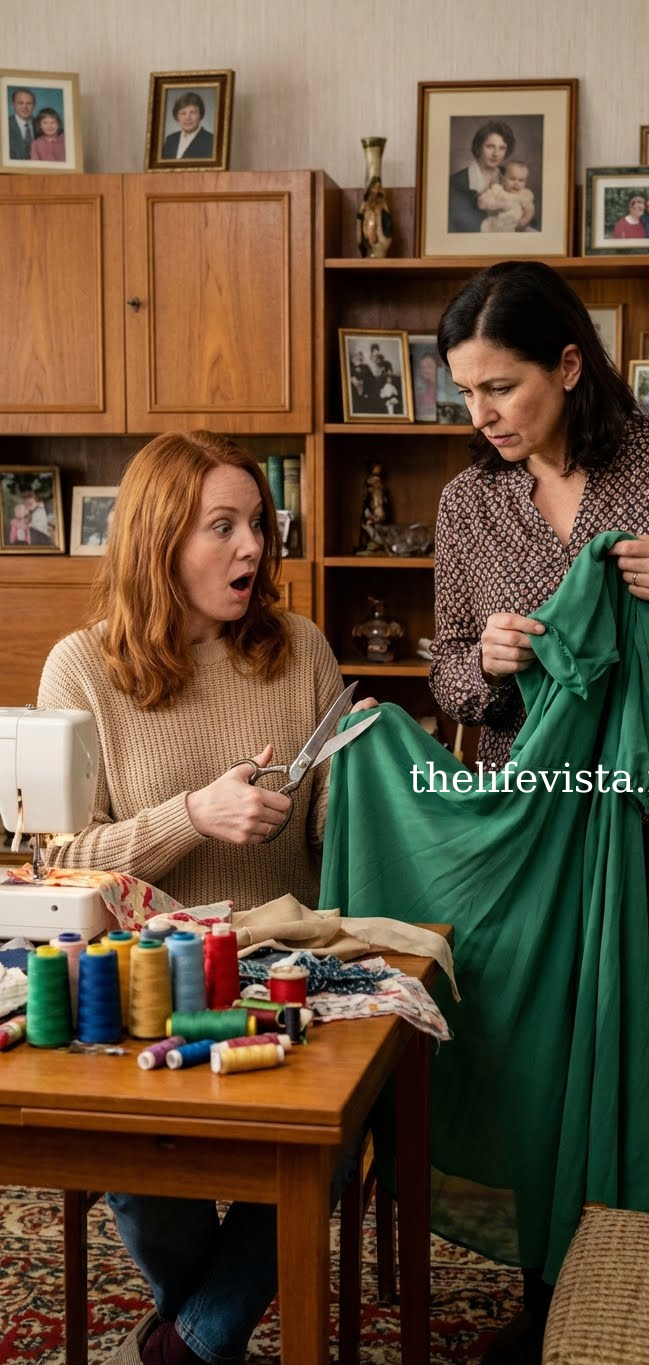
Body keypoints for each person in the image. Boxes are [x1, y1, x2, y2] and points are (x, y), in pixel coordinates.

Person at [430, 261, 649, 1363]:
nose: (482, 416)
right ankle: (558, 1306)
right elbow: (446, 674)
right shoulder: (469, 504)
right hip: (539, 842)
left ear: (570, 365)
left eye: (502, 387)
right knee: (545, 1071)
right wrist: (485, 661)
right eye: (466, 392)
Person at [37, 430, 375, 1365]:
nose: (252, 547)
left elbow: (332, 837)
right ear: (158, 540)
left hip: (287, 972)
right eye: (222, 526)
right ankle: (203, 1333)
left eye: (257, 523)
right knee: (127, 1146)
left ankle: (184, 1347)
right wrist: (193, 814)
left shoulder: (300, 648)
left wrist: (364, 776)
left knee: (337, 1124)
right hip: (150, 979)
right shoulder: (82, 668)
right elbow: (61, 861)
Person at [448, 119, 516, 233]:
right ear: (479, 147)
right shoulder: (456, 182)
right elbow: (462, 225)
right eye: (490, 146)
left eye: (502, 148)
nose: (496, 154)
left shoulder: (510, 177)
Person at [477, 160, 536, 233]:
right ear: (504, 179)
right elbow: (481, 202)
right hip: (496, 225)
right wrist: (497, 204)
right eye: (512, 179)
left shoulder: (523, 194)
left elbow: (530, 210)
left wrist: (524, 220)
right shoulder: (498, 190)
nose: (516, 183)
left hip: (516, 227)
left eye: (521, 180)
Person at [161, 92, 214, 160]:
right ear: (177, 116)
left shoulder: (211, 141)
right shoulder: (170, 140)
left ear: (200, 115)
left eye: (193, 112)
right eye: (183, 113)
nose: (188, 118)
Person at [8, 87, 35, 160]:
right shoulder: (4, 124)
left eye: (29, 103)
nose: (24, 107)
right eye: (20, 103)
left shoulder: (42, 124)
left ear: (34, 105)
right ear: (13, 105)